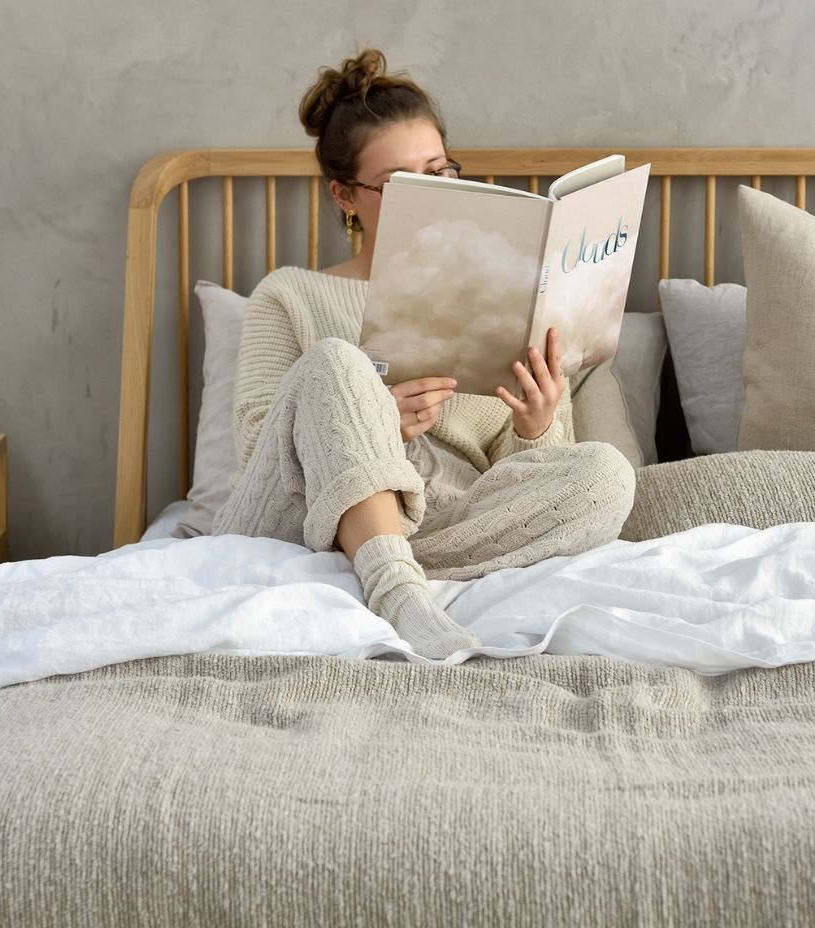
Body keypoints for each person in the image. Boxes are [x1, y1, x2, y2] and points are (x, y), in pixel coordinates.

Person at [213, 49, 636, 658]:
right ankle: (395, 591)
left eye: (441, 172)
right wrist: (376, 420)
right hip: (301, 520)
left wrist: (537, 423)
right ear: (346, 195)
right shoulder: (290, 294)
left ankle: (385, 565)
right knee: (338, 361)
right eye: (403, 184)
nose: (434, 195)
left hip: (445, 522)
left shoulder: (506, 301)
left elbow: (527, 477)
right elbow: (263, 452)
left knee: (605, 477)